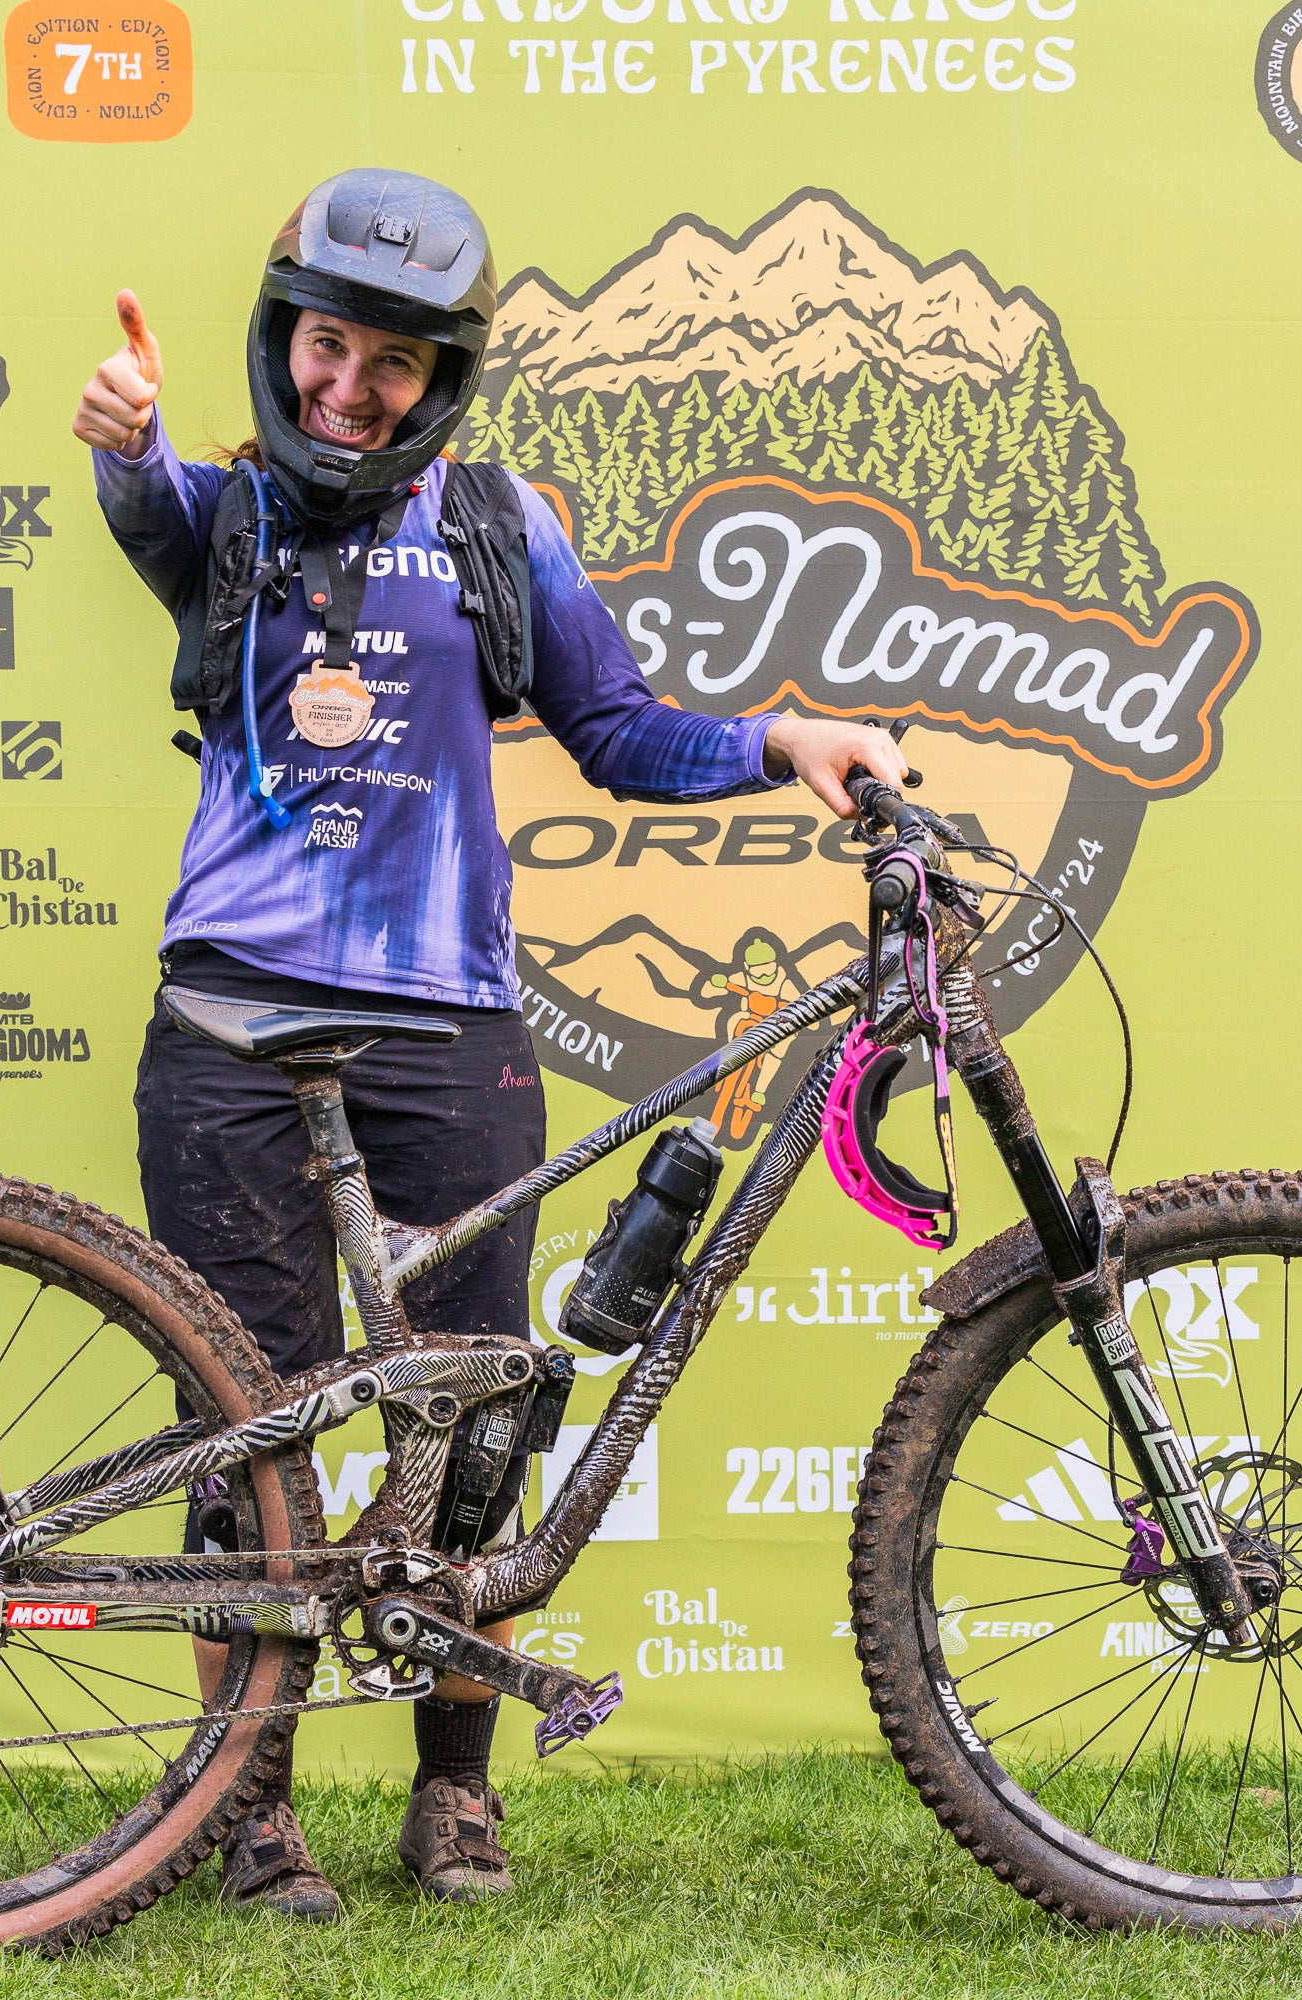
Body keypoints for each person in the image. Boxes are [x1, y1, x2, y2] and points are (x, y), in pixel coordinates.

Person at [77, 167, 902, 1919]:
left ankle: (453, 1793)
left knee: (472, 1427)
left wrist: (783, 740)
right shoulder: (227, 515)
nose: (347, 388)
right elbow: (147, 506)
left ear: (440, 376)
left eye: (389, 362)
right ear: (281, 339)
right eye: (324, 346)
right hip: (229, 1026)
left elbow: (616, 729)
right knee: (249, 1438)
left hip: (448, 1029)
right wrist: (127, 441)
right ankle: (248, 1812)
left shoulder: (497, 524)